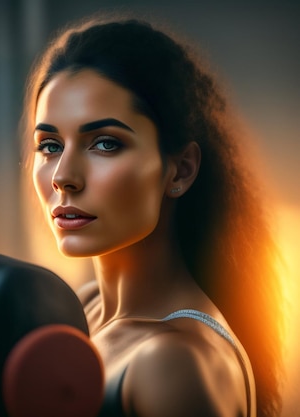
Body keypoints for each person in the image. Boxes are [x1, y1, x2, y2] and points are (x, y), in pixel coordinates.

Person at [23, 15, 284, 417]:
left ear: (179, 170)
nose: (64, 178)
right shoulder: (82, 309)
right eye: (51, 145)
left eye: (105, 144)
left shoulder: (173, 363)